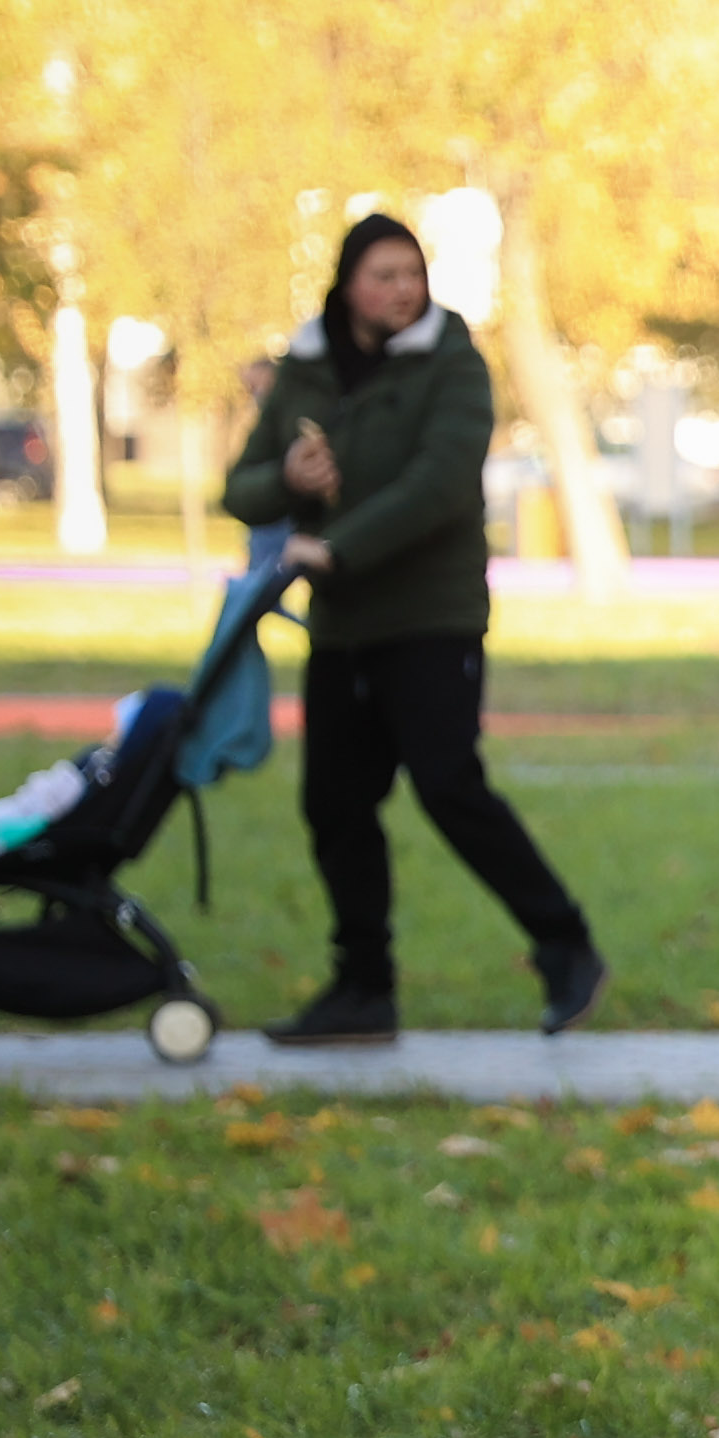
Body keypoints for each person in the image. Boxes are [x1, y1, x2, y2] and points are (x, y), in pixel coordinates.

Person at [226, 212, 600, 1045]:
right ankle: (364, 987)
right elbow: (243, 487)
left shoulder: (453, 366)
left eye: (411, 274)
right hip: (343, 627)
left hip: (432, 617)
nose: (401, 291)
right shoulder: (308, 370)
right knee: (334, 805)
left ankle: (564, 943)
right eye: (382, 275)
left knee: (447, 785)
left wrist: (337, 547)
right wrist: (288, 478)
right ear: (347, 286)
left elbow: (438, 484)